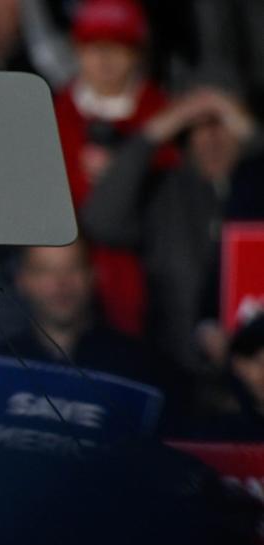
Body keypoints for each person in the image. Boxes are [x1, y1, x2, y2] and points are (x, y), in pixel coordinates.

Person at [80, 86, 262, 383]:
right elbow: (101, 220)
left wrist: (254, 135)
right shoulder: (165, 195)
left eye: (224, 124)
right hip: (178, 376)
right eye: (198, 128)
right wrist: (154, 131)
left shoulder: (255, 192)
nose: (212, 139)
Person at [52, 0, 176, 338]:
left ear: (137, 53)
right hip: (66, 289)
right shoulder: (52, 115)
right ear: (76, 50)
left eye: (117, 46)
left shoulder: (165, 116)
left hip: (148, 287)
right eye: (93, 46)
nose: (104, 59)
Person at [0, 241, 154, 384]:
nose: (61, 283)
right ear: (21, 280)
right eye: (45, 270)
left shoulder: (139, 365)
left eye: (73, 268)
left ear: (93, 274)